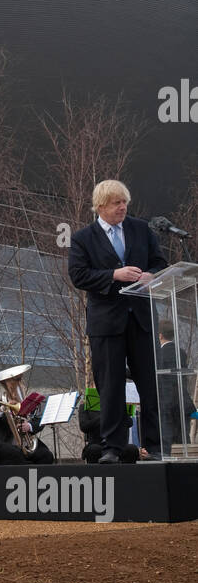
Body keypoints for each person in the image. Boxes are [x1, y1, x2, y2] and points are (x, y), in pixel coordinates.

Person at [68, 179, 167, 462]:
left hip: (141, 319)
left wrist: (153, 275)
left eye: (125, 202)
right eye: (116, 203)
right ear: (101, 206)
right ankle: (113, 446)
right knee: (110, 387)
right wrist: (114, 275)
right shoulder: (83, 238)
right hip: (106, 323)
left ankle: (155, 445)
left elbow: (159, 262)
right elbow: (78, 276)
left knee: (150, 385)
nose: (123, 207)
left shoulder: (140, 229)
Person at [157, 320, 198, 455]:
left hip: (166, 404)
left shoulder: (159, 354)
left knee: (167, 441)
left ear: (160, 335)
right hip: (181, 402)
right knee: (183, 439)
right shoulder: (181, 352)